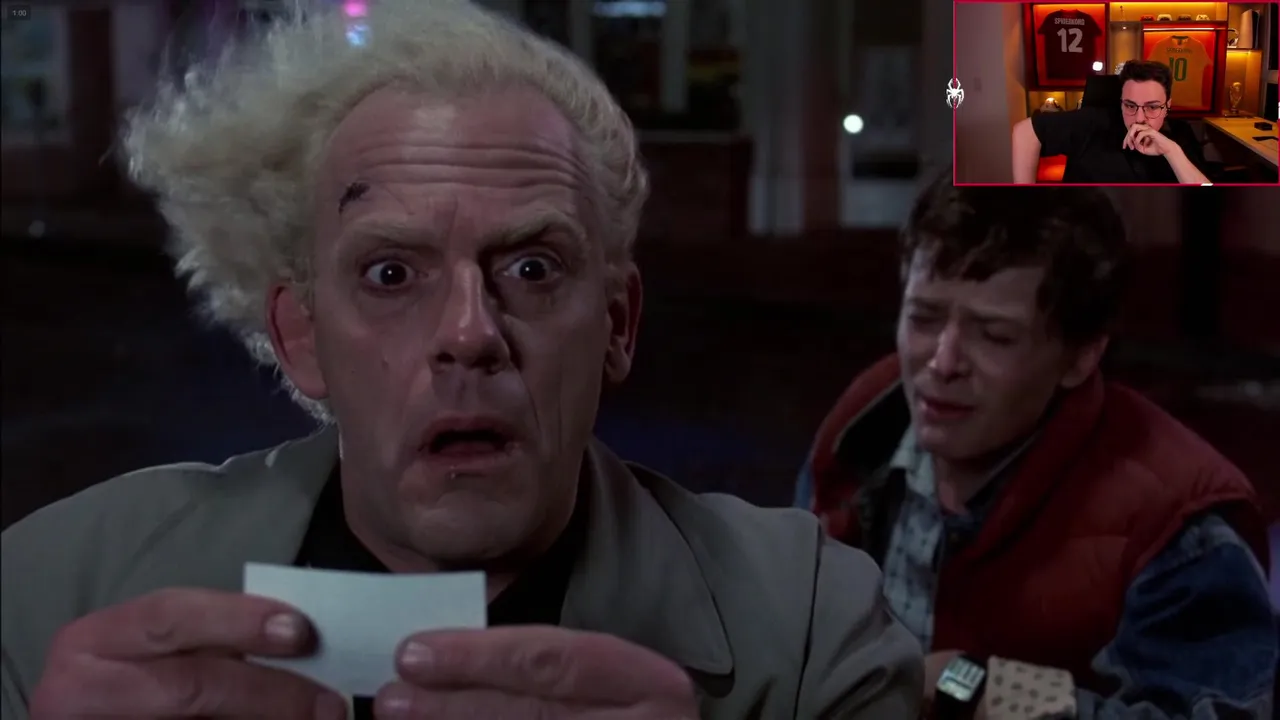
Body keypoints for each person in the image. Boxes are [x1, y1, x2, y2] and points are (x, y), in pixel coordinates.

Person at [0, 1, 924, 718]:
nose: (471, 333)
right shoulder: (49, 592)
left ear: (617, 324)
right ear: (300, 337)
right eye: (392, 273)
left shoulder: (812, 624)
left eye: (532, 268)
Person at [795, 175, 1276, 719]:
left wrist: (977, 690)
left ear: (1081, 356)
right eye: (923, 318)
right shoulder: (859, 436)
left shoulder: (1177, 525)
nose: (943, 362)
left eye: (994, 335)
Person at [1011, 60, 1211, 184]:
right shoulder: (1093, 121)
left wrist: (1172, 152)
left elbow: (1209, 203)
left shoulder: (1180, 135)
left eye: (1152, 107)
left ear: (1168, 105)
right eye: (1130, 106)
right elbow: (1025, 131)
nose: (1139, 118)